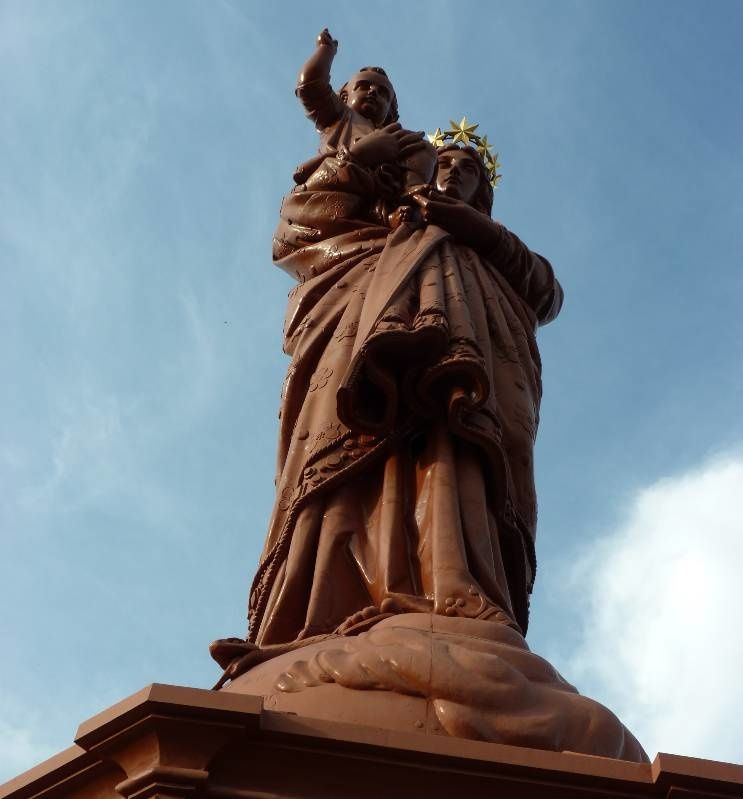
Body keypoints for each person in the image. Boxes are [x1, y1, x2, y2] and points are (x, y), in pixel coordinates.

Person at [211, 127, 562, 685]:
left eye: (469, 169)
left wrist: (475, 232)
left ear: (484, 192)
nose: (454, 172)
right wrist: (355, 160)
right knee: (352, 466)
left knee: (451, 460)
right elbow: (300, 226)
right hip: (364, 369)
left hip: (463, 386)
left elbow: (546, 292)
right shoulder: (376, 230)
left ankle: (454, 589)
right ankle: (324, 609)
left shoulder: (493, 253)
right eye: (445, 163)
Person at [293, 28, 436, 198]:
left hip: (383, 192)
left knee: (423, 146)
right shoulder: (340, 115)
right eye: (363, 86)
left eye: (383, 93)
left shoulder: (394, 138)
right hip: (338, 185)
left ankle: (411, 192)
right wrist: (326, 50)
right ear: (344, 97)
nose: (373, 91)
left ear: (390, 112)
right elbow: (310, 86)